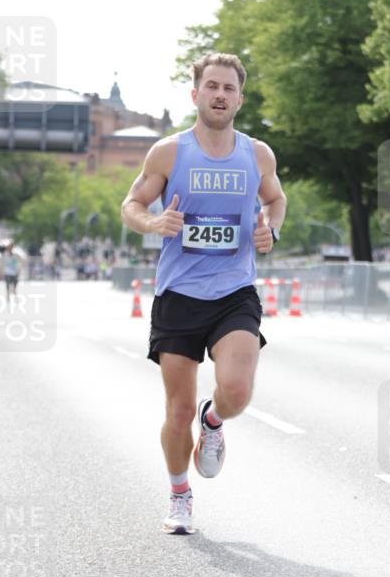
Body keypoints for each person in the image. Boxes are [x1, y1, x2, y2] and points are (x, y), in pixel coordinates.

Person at [121, 53, 287, 534]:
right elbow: (131, 204)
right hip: (179, 293)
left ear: (239, 97)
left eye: (228, 88)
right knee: (176, 410)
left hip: (234, 288)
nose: (219, 95)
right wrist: (154, 222)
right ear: (195, 95)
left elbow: (275, 200)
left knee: (235, 390)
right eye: (210, 86)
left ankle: (212, 422)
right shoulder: (169, 153)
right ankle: (179, 494)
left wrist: (269, 231)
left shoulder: (257, 154)